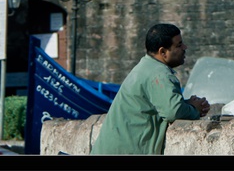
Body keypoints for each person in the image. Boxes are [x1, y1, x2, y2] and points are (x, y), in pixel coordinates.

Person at [90, 23, 210, 154]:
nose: (184, 48)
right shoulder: (159, 74)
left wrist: (186, 103)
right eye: (179, 45)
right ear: (163, 52)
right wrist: (195, 110)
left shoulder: (145, 67)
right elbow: (173, 111)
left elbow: (156, 104)